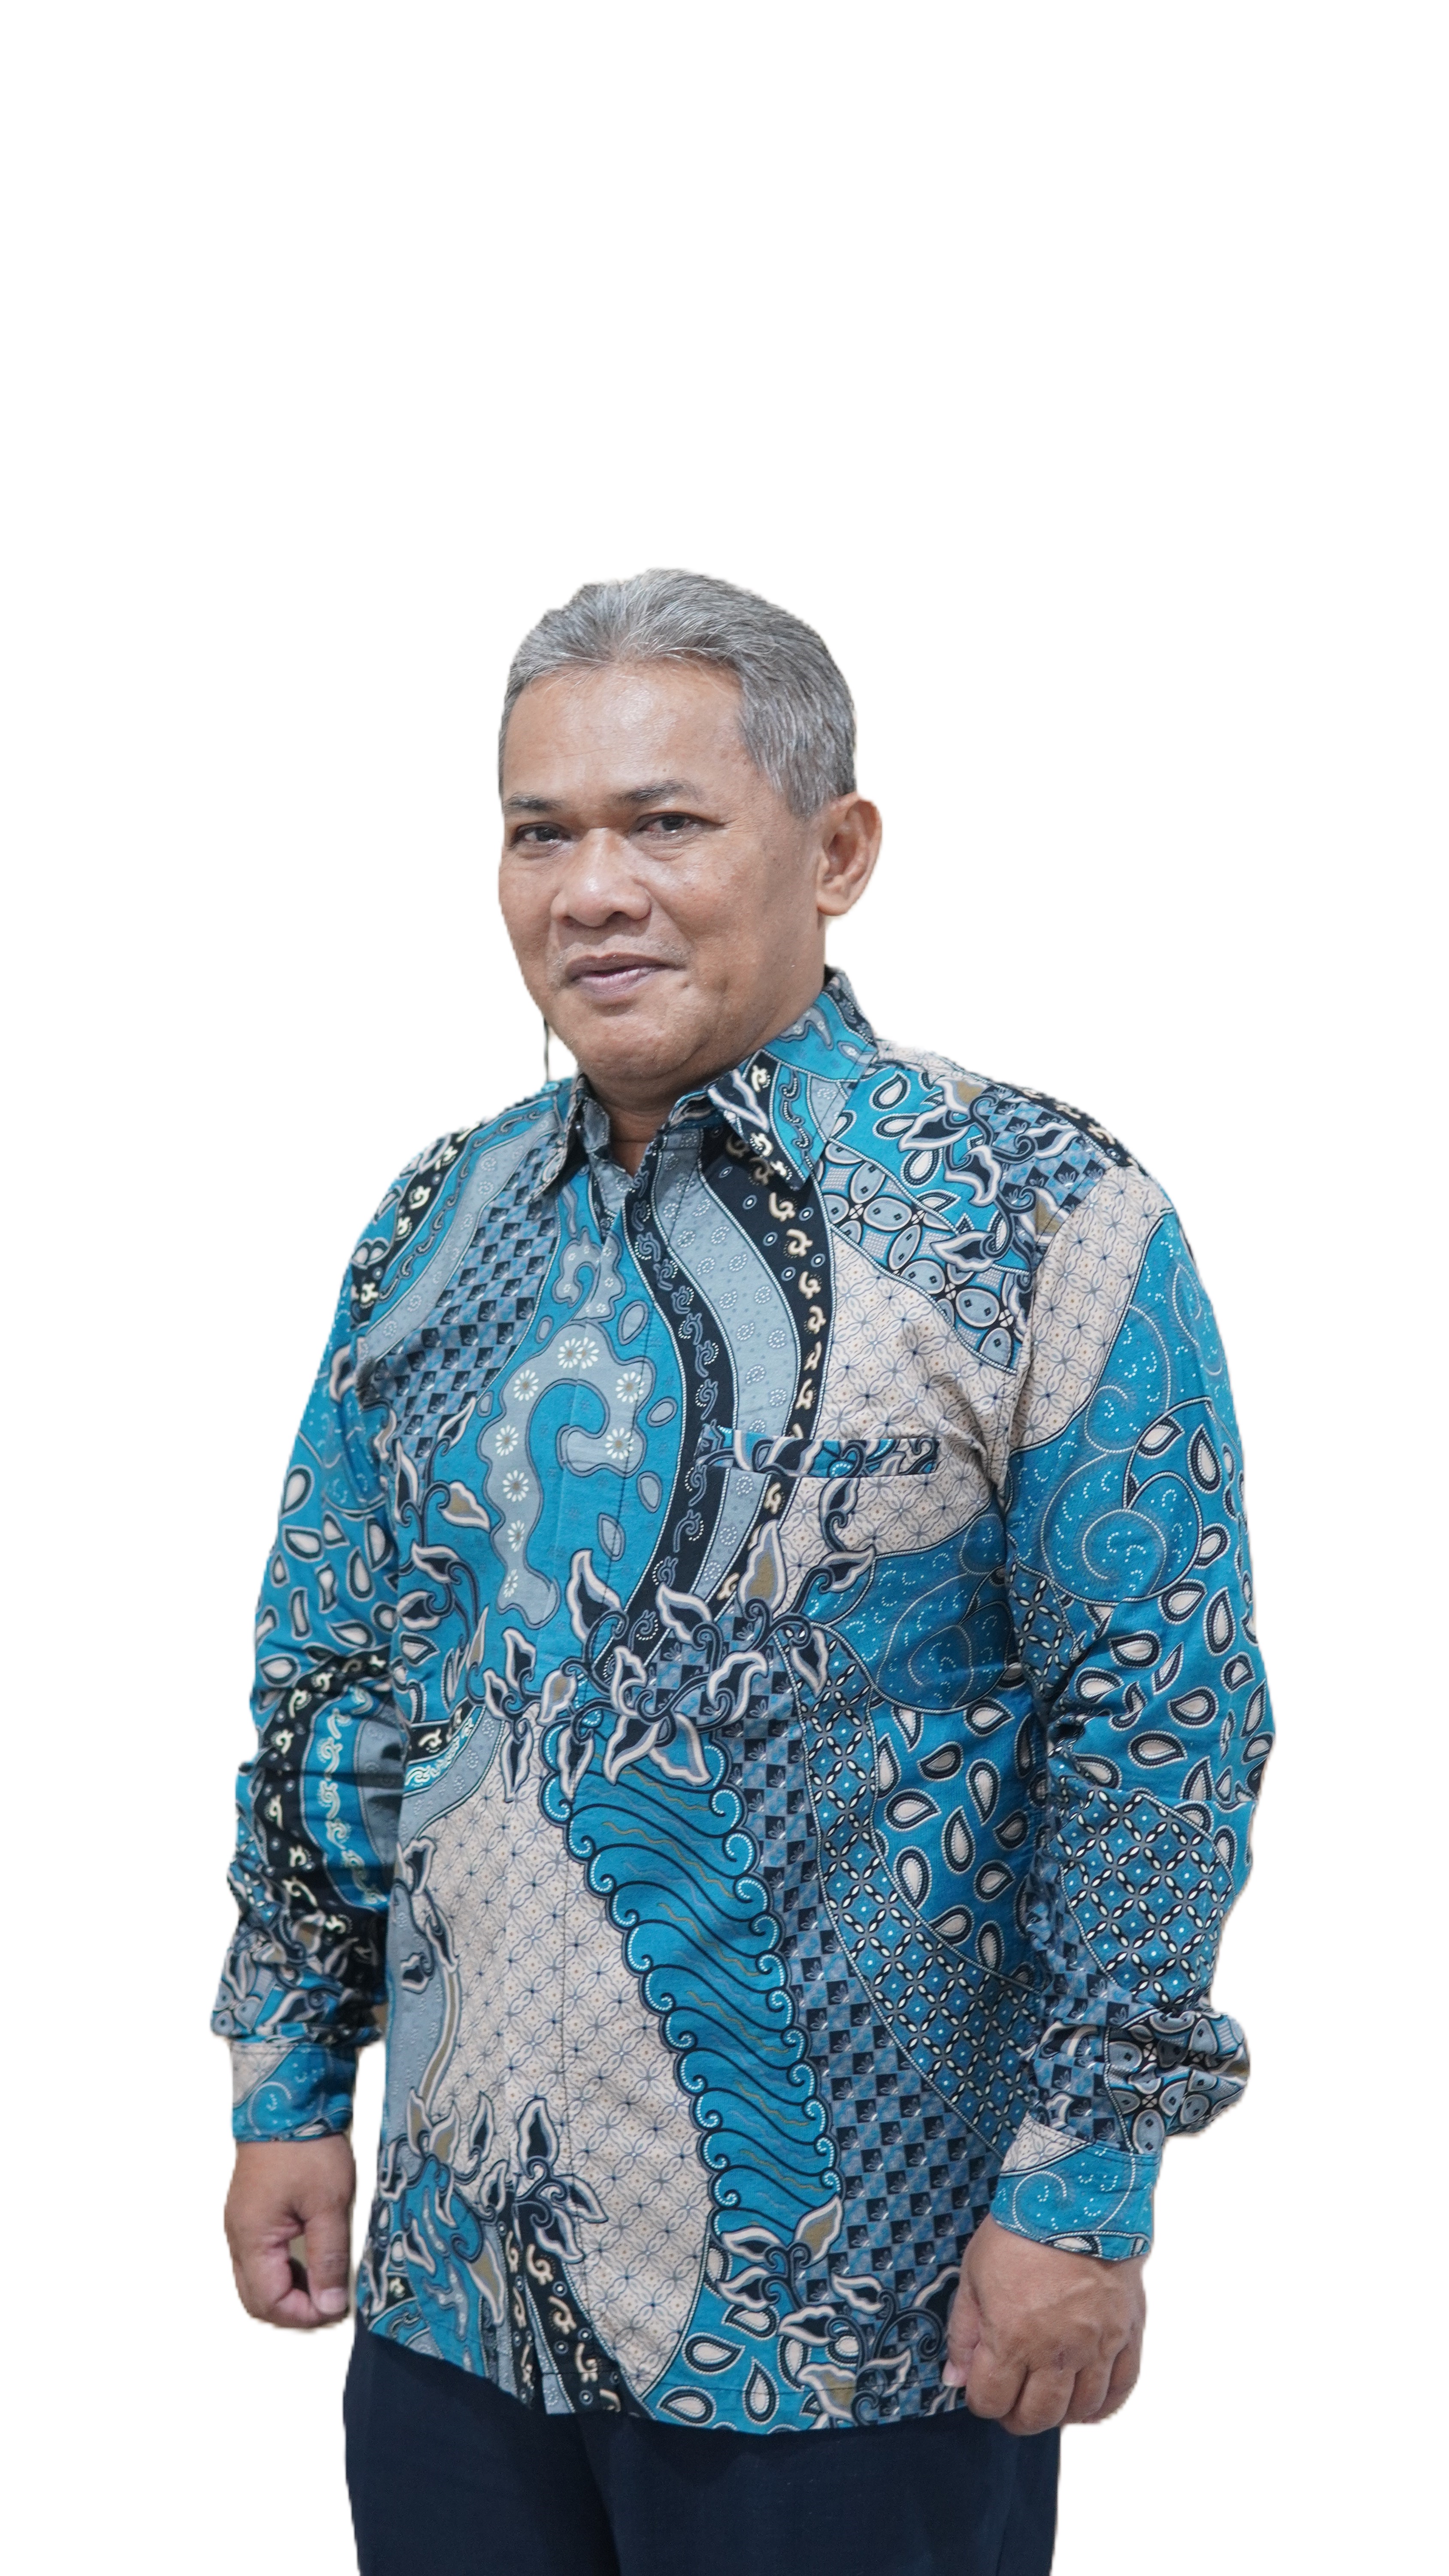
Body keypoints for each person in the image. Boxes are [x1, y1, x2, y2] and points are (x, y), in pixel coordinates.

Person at [216, 571, 1272, 2576]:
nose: (592, 891)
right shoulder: (434, 1225)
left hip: (863, 2326)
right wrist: (287, 2080)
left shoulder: (1035, 1214)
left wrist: (1083, 2191)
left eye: (665, 823)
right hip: (453, 2298)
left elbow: (1159, 1724)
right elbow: (332, 1675)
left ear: (836, 851)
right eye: (542, 833)